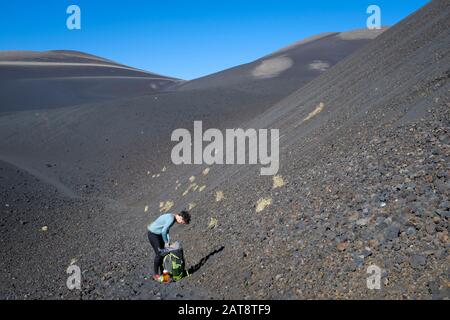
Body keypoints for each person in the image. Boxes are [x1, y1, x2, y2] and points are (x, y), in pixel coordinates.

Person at [147, 210, 191, 281]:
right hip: (153, 234)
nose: (181, 223)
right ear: (180, 217)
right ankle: (156, 275)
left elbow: (166, 230)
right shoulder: (171, 218)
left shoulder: (172, 217)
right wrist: (166, 242)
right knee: (159, 254)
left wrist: (167, 241)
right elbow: (164, 231)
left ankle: (164, 275)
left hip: (158, 235)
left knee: (163, 254)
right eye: (182, 222)